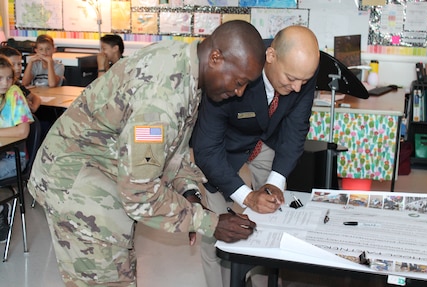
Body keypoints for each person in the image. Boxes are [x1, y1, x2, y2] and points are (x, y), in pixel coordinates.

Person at [27, 20, 266, 287]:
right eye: (239, 81)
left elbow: (171, 150)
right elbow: (139, 193)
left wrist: (190, 193)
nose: (239, 92)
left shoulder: (184, 65)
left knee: (123, 276)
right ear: (215, 57)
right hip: (78, 189)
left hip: (103, 179)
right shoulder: (161, 100)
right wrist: (210, 223)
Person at [191, 25, 320, 287]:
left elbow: (296, 130)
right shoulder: (236, 64)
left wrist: (276, 180)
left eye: (303, 82)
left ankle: (259, 278)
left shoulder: (302, 68)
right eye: (291, 78)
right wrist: (247, 196)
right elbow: (206, 148)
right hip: (223, 145)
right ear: (270, 56)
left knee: (273, 217)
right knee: (215, 228)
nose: (297, 88)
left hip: (267, 140)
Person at [0, 55, 34, 242]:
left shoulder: (14, 94)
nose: (5, 83)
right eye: (0, 78)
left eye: (8, 78)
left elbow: (22, 132)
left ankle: (1, 211)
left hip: (14, 158)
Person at [0, 46, 42, 113]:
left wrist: (33, 108)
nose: (17, 68)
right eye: (12, 64)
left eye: (19, 64)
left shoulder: (16, 85)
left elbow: (35, 98)